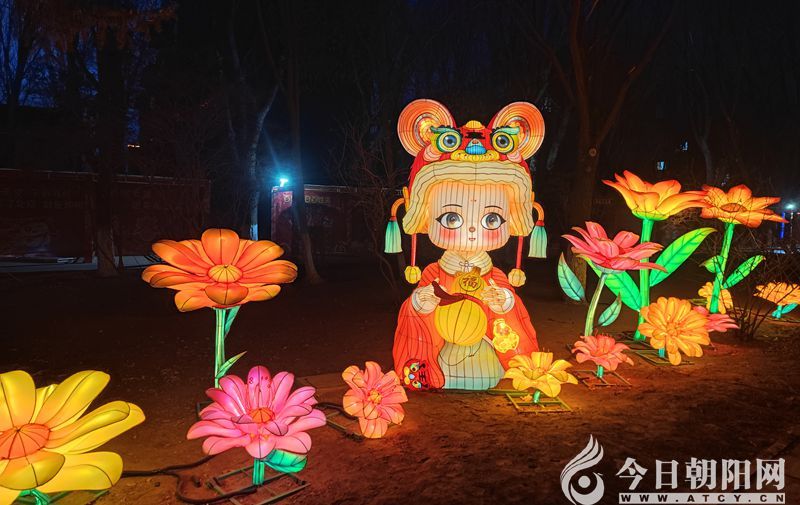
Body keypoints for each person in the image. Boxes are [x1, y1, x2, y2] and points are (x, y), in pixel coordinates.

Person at [385, 99, 548, 390]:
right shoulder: (434, 275)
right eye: (451, 218)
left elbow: (511, 320)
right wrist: (421, 304)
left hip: (485, 354)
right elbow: (415, 316)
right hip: (441, 354)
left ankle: (516, 372)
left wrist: (503, 302)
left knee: (506, 311)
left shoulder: (494, 278)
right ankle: (426, 374)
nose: (472, 230)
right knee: (417, 308)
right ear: (425, 216)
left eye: (491, 219)